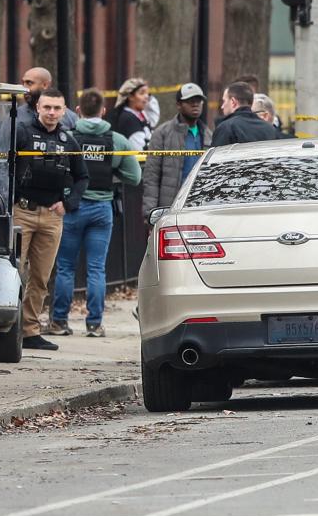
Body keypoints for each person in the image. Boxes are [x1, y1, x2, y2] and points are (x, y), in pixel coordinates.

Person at [49, 90, 141, 338]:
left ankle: (59, 321)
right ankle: (94, 324)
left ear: (77, 111)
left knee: (66, 267)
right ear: (103, 111)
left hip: (70, 208)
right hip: (102, 210)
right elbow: (135, 176)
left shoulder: (67, 137)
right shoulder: (118, 141)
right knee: (96, 269)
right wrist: (110, 172)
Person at [14, 88, 89, 351]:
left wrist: (69, 203)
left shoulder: (69, 141)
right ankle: (6, 328)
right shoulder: (21, 132)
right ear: (38, 108)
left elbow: (82, 177)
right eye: (47, 107)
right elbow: (2, 165)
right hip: (21, 212)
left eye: (57, 108)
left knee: (40, 277)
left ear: (65, 110)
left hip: (52, 217)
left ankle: (30, 330)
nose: (51, 113)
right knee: (13, 273)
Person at [143, 83, 211, 215]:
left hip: (200, 208)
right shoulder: (162, 133)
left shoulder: (208, 135)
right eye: (190, 101)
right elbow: (151, 176)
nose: (195, 104)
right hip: (171, 208)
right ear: (179, 105)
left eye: (198, 101)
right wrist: (150, 213)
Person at [213, 82, 278, 146]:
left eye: (224, 101)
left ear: (233, 102)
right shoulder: (269, 128)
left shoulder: (226, 128)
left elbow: (217, 155)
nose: (222, 106)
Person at [112, 78, 152, 151]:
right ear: (131, 97)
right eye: (142, 93)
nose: (146, 96)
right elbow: (139, 149)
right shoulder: (128, 118)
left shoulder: (141, 114)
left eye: (147, 93)